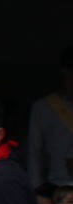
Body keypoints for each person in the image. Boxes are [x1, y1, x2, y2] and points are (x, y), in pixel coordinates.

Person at [28, 45, 73, 186]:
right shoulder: (44, 108)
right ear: (64, 73)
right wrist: (37, 190)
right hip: (58, 187)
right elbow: (34, 153)